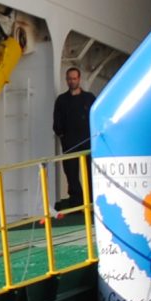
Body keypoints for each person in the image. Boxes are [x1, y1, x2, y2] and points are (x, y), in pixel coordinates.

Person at [51, 66, 97, 211]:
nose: (72, 81)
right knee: (71, 174)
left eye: (74, 78)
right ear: (66, 80)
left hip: (88, 142)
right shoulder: (62, 100)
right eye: (69, 79)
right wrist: (62, 136)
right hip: (70, 143)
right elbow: (57, 122)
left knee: (91, 172)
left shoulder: (89, 98)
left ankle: (92, 202)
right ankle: (76, 203)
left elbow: (95, 117)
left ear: (79, 79)